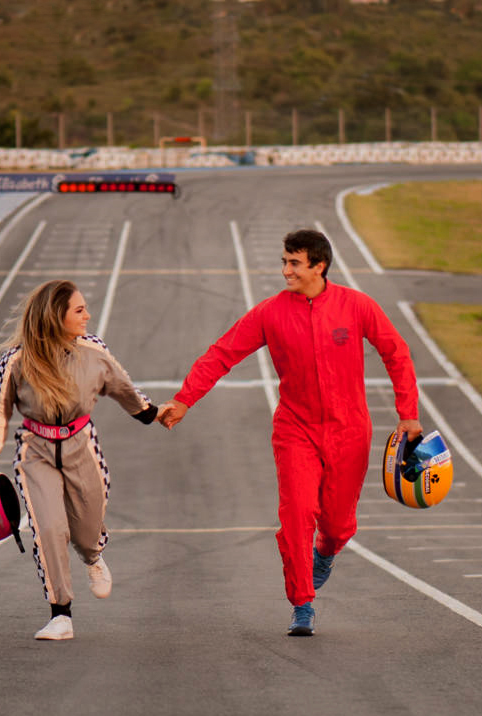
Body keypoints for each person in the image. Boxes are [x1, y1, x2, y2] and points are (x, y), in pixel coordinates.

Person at [158, 229, 421, 636]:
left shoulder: (356, 306)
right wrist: (185, 399)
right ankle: (302, 603)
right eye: (284, 261)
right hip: (295, 431)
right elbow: (222, 353)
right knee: (297, 514)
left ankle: (326, 552)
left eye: (294, 263)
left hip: (350, 431)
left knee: (337, 526)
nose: (285, 271)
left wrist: (408, 414)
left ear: (319, 265)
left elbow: (396, 352)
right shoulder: (270, 313)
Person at [0, 280, 158, 641]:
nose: (88, 315)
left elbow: (122, 384)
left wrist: (150, 413)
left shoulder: (94, 350)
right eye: (79, 310)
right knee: (49, 528)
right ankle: (61, 614)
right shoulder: (15, 361)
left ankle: (92, 556)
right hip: (35, 451)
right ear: (56, 316)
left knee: (87, 525)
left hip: (80, 445)